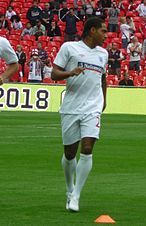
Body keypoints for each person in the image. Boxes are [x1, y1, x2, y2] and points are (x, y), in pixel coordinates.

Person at [51, 17, 108, 212]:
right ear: (92, 31)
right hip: (71, 107)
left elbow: (103, 77)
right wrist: (70, 73)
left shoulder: (103, 54)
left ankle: (76, 195)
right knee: (69, 153)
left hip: (93, 107)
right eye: (103, 31)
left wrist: (104, 100)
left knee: (87, 147)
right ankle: (69, 189)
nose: (106, 35)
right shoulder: (69, 48)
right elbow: (54, 74)